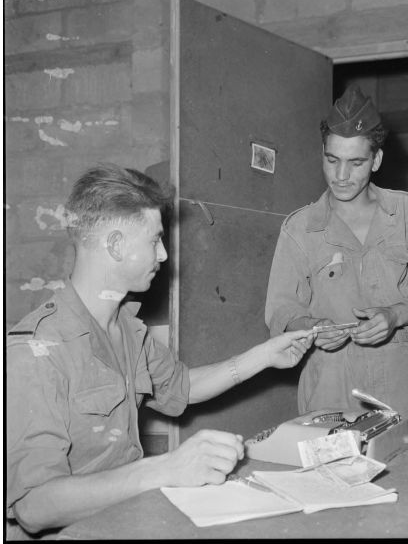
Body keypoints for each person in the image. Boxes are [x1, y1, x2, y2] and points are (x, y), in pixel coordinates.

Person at [6, 164, 315, 536]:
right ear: (116, 245)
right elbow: (34, 507)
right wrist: (166, 469)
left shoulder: (127, 328)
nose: (165, 254)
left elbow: (181, 387)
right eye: (154, 240)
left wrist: (264, 356)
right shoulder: (35, 350)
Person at [265, 84, 408, 438]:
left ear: (376, 160)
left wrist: (394, 316)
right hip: (331, 383)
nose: (340, 175)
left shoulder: (406, 213)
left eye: (355, 163)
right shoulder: (300, 228)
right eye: (332, 160)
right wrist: (312, 325)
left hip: (402, 382)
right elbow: (280, 310)